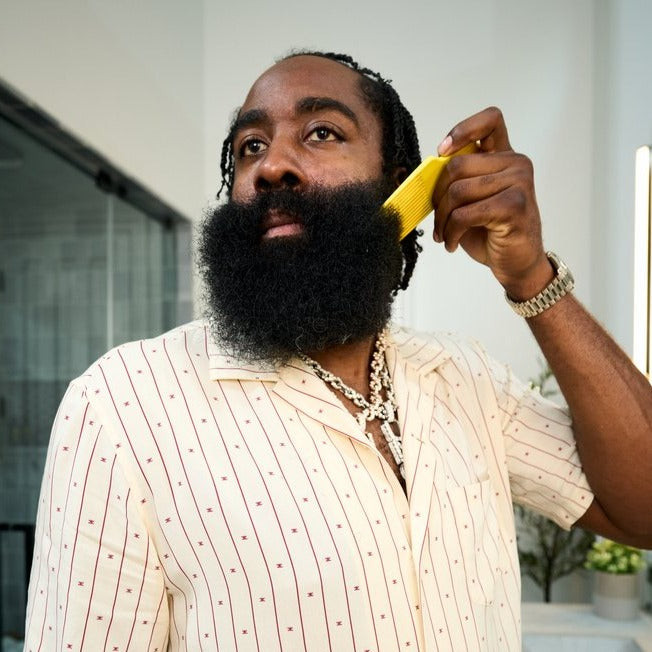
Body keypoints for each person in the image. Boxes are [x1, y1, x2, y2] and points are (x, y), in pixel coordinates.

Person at [24, 51, 652, 652]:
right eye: (250, 146)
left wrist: (531, 277)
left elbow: (643, 511)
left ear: (399, 188)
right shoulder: (122, 407)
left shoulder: (467, 379)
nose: (271, 165)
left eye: (321, 132)